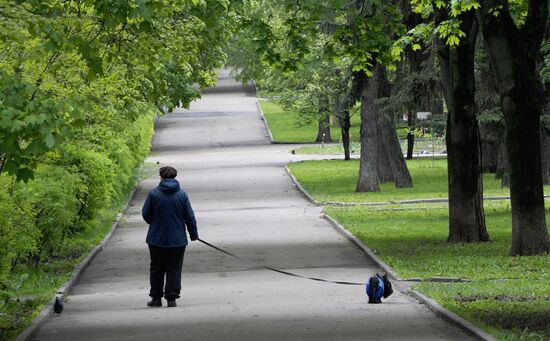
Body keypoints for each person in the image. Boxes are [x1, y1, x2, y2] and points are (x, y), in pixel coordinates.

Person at [142, 166, 198, 307]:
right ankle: (171, 298)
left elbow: (146, 214)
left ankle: (156, 298)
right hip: (177, 240)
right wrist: (193, 234)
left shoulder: (153, 194)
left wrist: (154, 223)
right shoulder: (182, 195)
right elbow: (189, 216)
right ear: (175, 177)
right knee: (174, 268)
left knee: (156, 268)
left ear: (161, 177)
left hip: (156, 239)